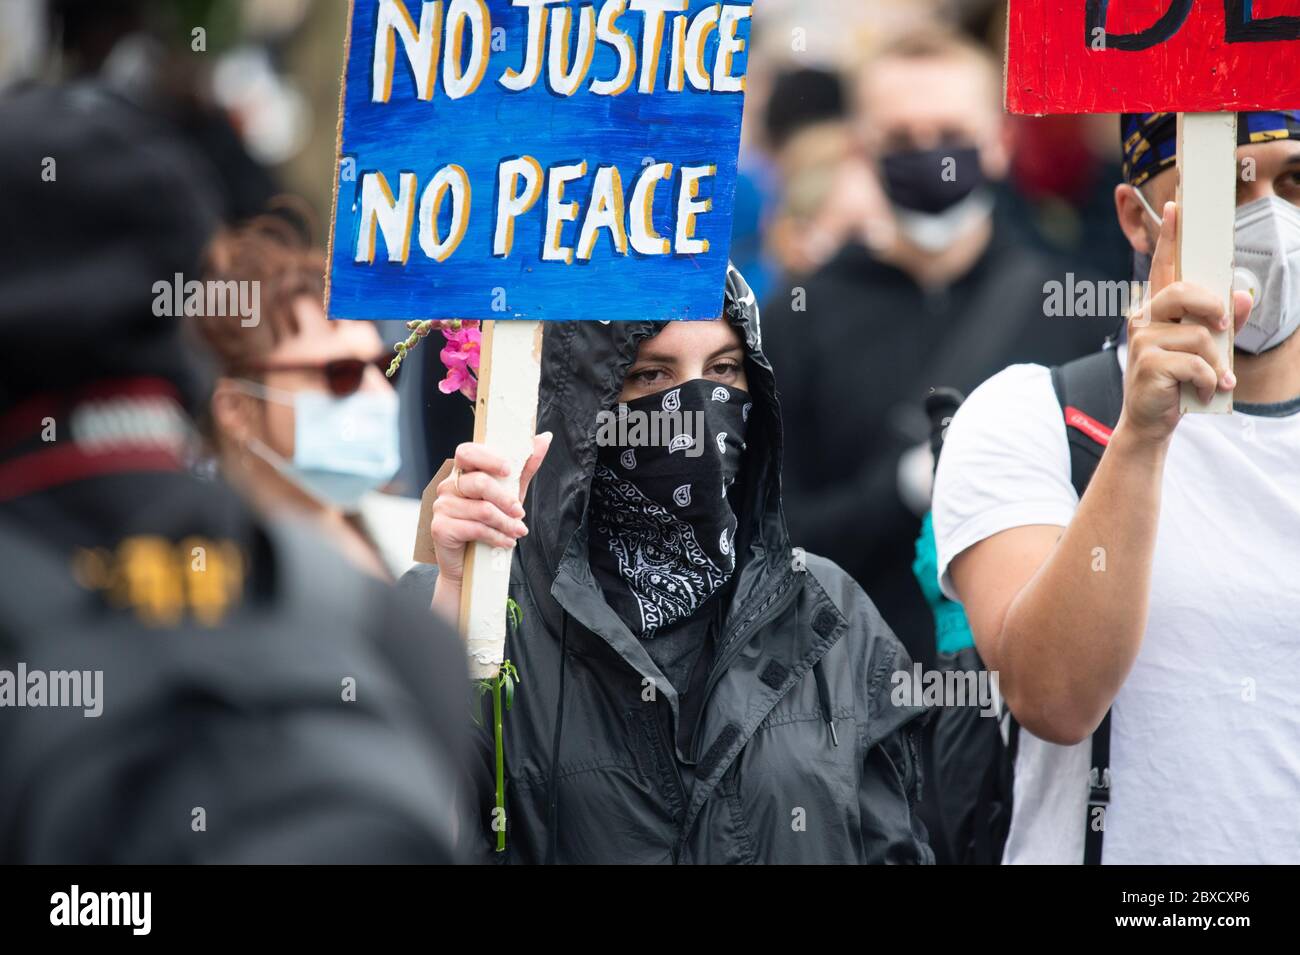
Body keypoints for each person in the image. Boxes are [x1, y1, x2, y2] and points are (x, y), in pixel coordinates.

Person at [0, 82, 469, 863]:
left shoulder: (398, 622)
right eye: (335, 376)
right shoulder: (399, 643)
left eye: (375, 368)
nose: (374, 395)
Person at [403, 265, 933, 864]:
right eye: (651, 374)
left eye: (725, 370)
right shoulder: (484, 607)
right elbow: (399, 834)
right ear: (582, 401)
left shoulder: (830, 613)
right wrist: (456, 592)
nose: (699, 410)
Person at [931, 110, 1300, 864]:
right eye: (1223, 188)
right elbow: (1054, 697)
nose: (1271, 219)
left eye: (1297, 182)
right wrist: (1139, 438)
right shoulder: (1031, 417)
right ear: (1137, 218)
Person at [762, 29, 1113, 672]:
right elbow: (770, 536)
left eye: (952, 135)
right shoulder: (797, 316)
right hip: (850, 705)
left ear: (1002, 143)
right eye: (900, 140)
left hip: (1023, 706)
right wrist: (895, 493)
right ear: (862, 150)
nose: (930, 158)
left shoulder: (1072, 304)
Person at [194, 215, 417, 580]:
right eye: (341, 373)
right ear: (234, 408)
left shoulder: (424, 544)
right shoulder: (202, 571)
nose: (379, 392)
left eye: (385, 365)